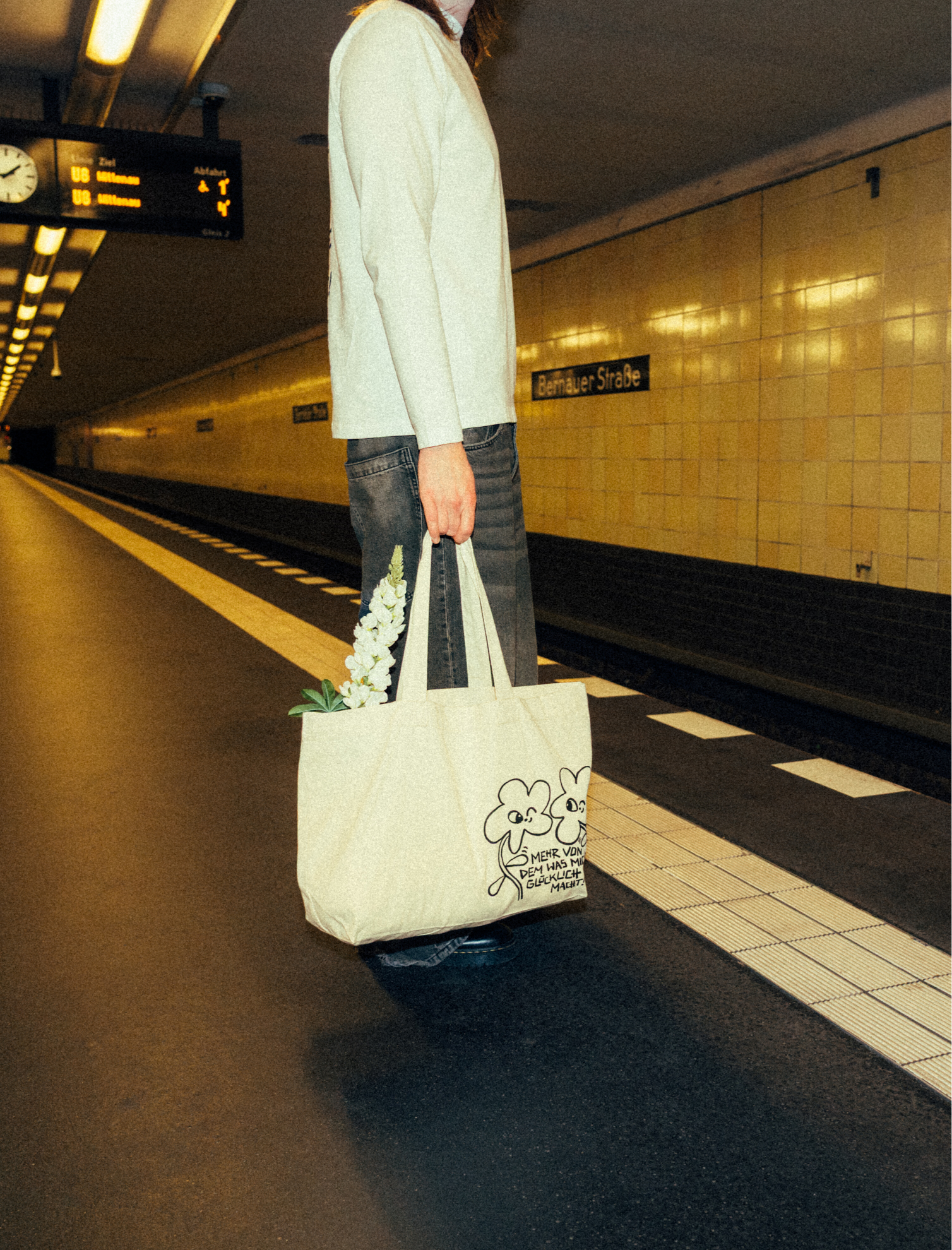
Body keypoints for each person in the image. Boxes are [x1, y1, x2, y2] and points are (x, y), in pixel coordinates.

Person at [328, 0, 538, 967]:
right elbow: (392, 245)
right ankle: (415, 908)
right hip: (429, 425)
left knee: (466, 673)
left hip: (455, 421)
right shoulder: (391, 39)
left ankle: (459, 885)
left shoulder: (445, 54)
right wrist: (439, 438)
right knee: (429, 670)